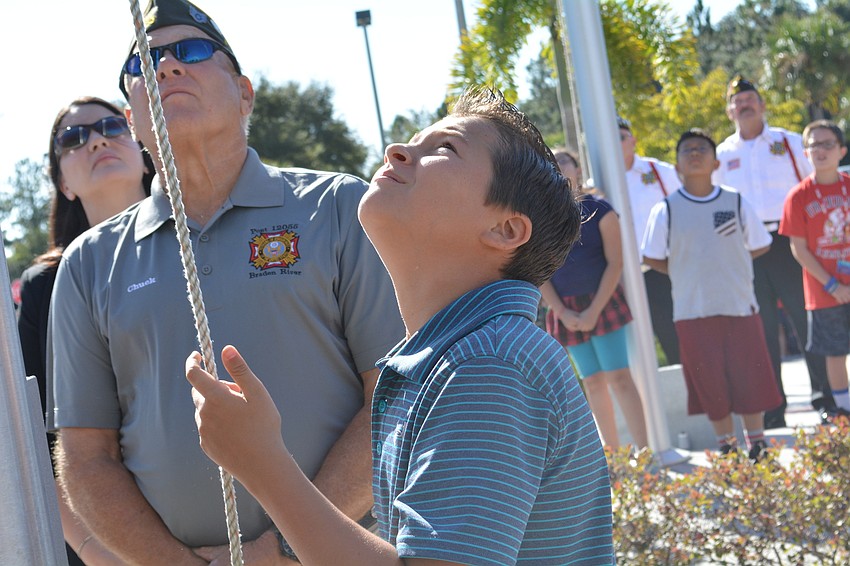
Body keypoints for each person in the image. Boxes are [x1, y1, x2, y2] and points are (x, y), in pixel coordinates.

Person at [186, 87, 614, 564]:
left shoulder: (488, 364)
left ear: (505, 230)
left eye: (446, 148)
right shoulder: (465, 355)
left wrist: (261, 463)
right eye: (414, 140)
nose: (397, 150)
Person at [48, 0, 404, 564]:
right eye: (144, 63)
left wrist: (287, 549)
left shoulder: (339, 209)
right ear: (134, 116)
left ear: (245, 94)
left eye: (188, 51)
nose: (164, 68)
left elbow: (395, 400)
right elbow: (86, 457)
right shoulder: (89, 264)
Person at [18, 96, 152, 566]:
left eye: (112, 126)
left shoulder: (204, 249)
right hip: (102, 543)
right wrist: (99, 552)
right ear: (64, 183)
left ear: (143, 151)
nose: (96, 138)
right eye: (73, 139)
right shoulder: (44, 288)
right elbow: (34, 442)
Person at [642, 129, 782, 461]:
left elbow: (760, 244)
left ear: (715, 161)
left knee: (750, 378)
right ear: (676, 166)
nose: (694, 153)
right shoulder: (666, 209)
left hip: (739, 305)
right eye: (686, 149)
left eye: (701, 148)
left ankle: (758, 445)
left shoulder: (734, 200)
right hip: (692, 312)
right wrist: (684, 270)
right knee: (711, 385)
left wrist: (728, 262)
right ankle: (727, 449)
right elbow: (651, 257)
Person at [714, 75, 834, 428]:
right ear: (729, 110)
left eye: (750, 98)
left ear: (762, 104)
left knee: (805, 319)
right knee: (761, 328)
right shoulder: (722, 154)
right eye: (737, 101)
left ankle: (824, 398)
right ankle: (773, 408)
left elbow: (811, 184)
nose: (744, 104)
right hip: (745, 247)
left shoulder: (790, 142)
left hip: (789, 240)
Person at [542, 147, 648, 450]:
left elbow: (616, 263)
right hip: (565, 311)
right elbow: (540, 274)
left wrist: (593, 310)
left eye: (566, 161)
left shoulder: (600, 209)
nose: (560, 166)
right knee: (592, 382)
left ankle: (644, 454)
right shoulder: (540, 219)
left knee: (619, 377)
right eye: (553, 162)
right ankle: (612, 458)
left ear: (577, 168)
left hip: (603, 303)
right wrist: (561, 311)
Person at [780, 120, 850, 422]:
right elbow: (799, 248)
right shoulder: (798, 196)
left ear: (842, 151)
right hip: (824, 291)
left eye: (827, 144)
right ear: (804, 152)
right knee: (835, 353)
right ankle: (844, 412)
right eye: (813, 145)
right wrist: (833, 284)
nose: (820, 150)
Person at [618, 116, 682, 365]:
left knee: (676, 333)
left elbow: (683, 209)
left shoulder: (659, 172)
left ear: (633, 140)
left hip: (664, 267)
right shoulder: (596, 183)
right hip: (626, 275)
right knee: (640, 347)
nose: (617, 142)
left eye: (622, 137)